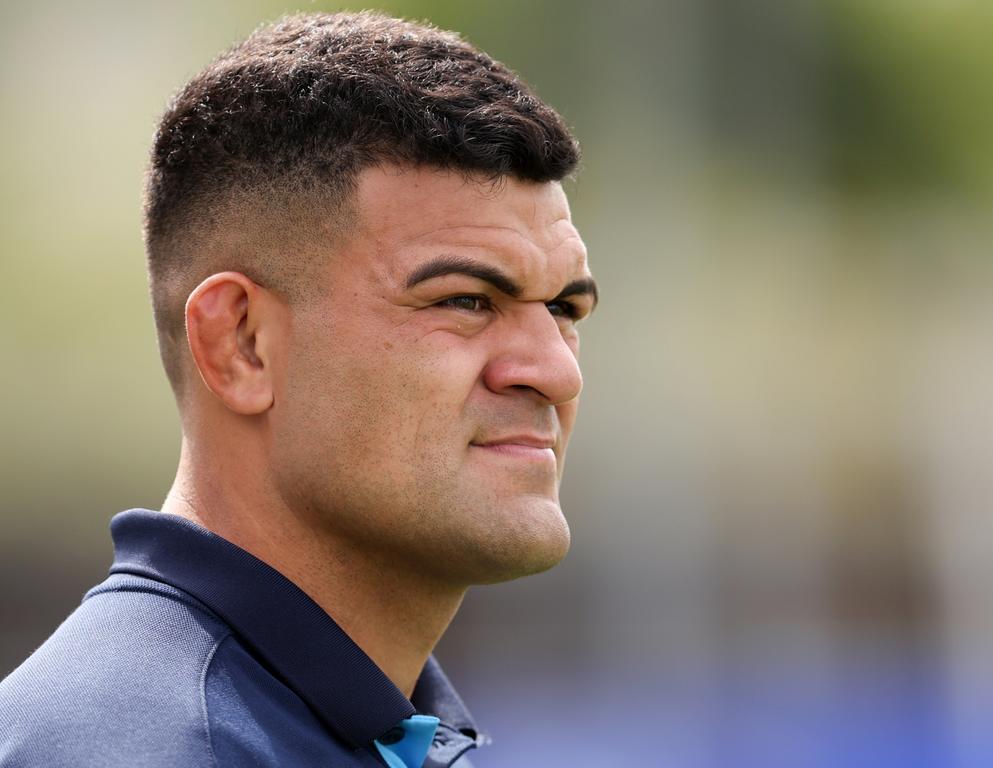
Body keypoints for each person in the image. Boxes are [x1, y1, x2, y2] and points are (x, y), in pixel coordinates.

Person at [0, 10, 596, 768]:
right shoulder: (143, 749)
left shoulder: (382, 732)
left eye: (564, 309)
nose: (556, 369)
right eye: (464, 300)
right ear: (240, 345)